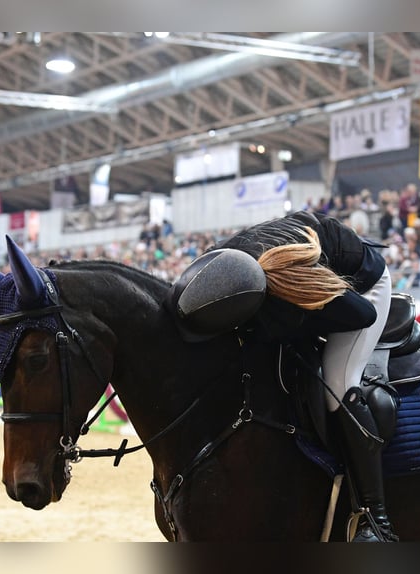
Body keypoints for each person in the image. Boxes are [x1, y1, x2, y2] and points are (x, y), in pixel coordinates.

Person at [166, 210, 396, 542]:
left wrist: (289, 321)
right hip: (292, 274)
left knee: (338, 384)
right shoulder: (215, 268)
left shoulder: (287, 280)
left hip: (362, 287)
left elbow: (362, 314)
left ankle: (375, 520)